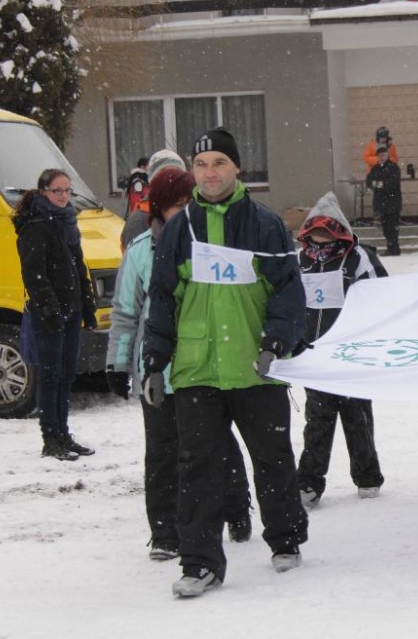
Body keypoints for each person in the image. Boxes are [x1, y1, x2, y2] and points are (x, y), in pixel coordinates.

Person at [142, 127, 308, 598]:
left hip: (256, 368)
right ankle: (199, 563)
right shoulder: (179, 229)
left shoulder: (265, 224)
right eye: (201, 164)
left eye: (219, 163)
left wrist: (275, 343)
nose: (209, 173)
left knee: (272, 459)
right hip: (197, 369)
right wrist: (155, 360)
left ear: (237, 168)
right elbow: (163, 298)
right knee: (197, 468)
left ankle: (285, 538)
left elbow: (288, 291)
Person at [106, 168, 254, 561]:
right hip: (158, 374)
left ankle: (235, 508)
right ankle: (165, 533)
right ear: (159, 209)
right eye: (176, 206)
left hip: (205, 366)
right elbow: (126, 312)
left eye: (190, 203)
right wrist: (118, 364)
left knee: (215, 446)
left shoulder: (212, 243)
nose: (185, 211)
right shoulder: (141, 250)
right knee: (162, 454)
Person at [294, 192, 387, 507]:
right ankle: (308, 482)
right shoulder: (301, 261)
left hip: (352, 354)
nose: (321, 240)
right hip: (315, 355)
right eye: (316, 234)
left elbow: (380, 295)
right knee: (317, 421)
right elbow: (291, 301)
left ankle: (367, 475)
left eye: (327, 233)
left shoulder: (359, 258)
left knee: (357, 417)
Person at [14, 169, 98, 461]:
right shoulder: (35, 226)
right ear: (43, 192)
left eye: (67, 191)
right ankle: (51, 438)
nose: (63, 196)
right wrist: (50, 309)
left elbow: (78, 268)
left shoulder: (66, 222)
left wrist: (87, 306)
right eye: (57, 191)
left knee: (66, 375)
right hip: (49, 314)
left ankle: (63, 434)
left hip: (71, 309)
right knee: (51, 376)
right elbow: (34, 275)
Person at [120, 150, 187, 252]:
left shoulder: (191, 212)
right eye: (163, 175)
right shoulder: (139, 220)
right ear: (153, 180)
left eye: (176, 175)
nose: (170, 181)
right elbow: (137, 259)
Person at [366, 145, 403, 256]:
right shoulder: (375, 168)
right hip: (380, 203)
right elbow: (369, 181)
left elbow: (392, 184)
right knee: (385, 227)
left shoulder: (393, 168)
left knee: (392, 227)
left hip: (392, 202)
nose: (382, 157)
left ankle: (394, 248)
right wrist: (377, 184)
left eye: (384, 155)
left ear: (387, 156)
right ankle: (390, 247)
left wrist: (379, 184)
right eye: (380, 155)